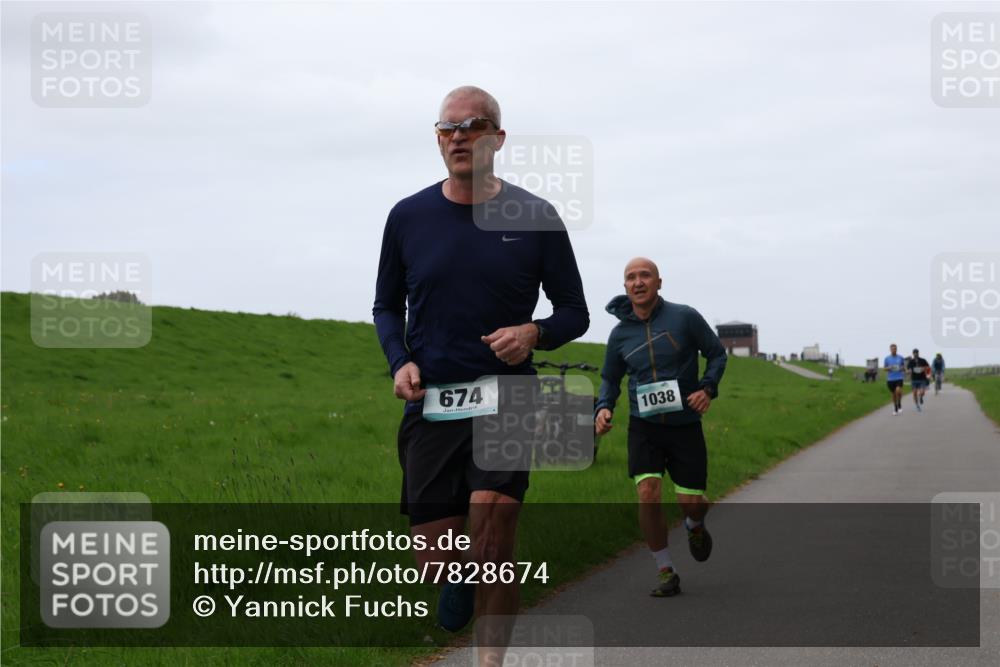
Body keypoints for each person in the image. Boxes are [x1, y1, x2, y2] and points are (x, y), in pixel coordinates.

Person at [373, 86, 590, 649]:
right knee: (437, 560)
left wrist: (533, 332)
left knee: (493, 537)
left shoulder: (536, 216)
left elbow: (575, 311)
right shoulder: (407, 216)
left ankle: (489, 662)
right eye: (446, 128)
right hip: (434, 400)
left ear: (497, 136)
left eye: (472, 125)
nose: (457, 136)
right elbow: (385, 306)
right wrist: (399, 362)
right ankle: (462, 582)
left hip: (509, 396)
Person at [594, 257, 727, 597]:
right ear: (625, 286)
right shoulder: (620, 334)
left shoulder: (684, 317)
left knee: (691, 502)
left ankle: (695, 525)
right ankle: (666, 570)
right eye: (630, 277)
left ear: (658, 282)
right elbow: (610, 377)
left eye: (645, 276)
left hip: (684, 425)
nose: (638, 282)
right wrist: (604, 407)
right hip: (644, 426)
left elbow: (716, 354)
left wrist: (707, 388)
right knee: (648, 493)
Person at [883, 344, 906, 415]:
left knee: (898, 390)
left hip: (899, 377)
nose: (894, 350)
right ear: (890, 350)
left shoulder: (901, 358)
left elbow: (904, 367)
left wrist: (902, 368)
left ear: (896, 349)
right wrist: (889, 368)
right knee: (893, 394)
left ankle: (899, 403)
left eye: (895, 349)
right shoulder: (887, 358)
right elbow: (884, 368)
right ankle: (895, 407)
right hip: (890, 379)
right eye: (892, 349)